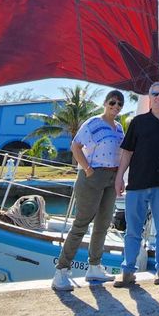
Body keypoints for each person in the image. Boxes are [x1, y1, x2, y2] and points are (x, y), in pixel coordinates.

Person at [52, 89, 125, 291]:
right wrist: (88, 169)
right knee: (81, 224)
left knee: (103, 223)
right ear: (105, 103)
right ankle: (61, 271)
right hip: (92, 176)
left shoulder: (119, 128)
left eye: (120, 104)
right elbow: (75, 146)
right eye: (112, 102)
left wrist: (119, 177)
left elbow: (120, 153)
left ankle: (94, 267)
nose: (116, 106)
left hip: (111, 177)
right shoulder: (93, 123)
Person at [114, 82, 159, 287]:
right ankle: (127, 271)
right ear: (150, 97)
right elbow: (127, 152)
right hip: (138, 183)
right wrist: (120, 177)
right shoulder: (138, 122)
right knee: (133, 230)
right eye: (156, 94)